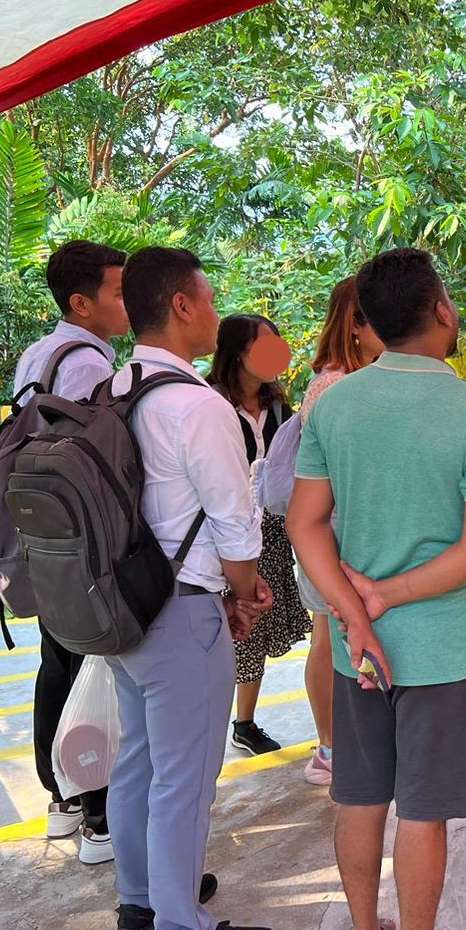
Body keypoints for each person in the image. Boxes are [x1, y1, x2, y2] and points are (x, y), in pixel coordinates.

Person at [288, 247, 466, 930]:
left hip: (360, 655)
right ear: (442, 311)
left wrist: (355, 612)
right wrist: (387, 597)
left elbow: (304, 523)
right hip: (441, 651)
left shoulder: (335, 406)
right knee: (423, 808)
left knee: (359, 794)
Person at [106, 246, 276, 930]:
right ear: (181, 305)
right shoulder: (197, 406)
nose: (213, 312)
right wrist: (246, 592)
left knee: (139, 759)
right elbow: (236, 527)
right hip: (182, 611)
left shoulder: (119, 386)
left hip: (123, 607)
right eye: (208, 300)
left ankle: (141, 899)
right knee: (186, 778)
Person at [11, 239, 129, 865]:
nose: (128, 301)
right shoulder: (87, 364)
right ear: (82, 303)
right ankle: (100, 816)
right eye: (118, 291)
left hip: (45, 531)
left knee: (58, 663)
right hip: (84, 537)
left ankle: (61, 798)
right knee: (95, 666)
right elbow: (99, 460)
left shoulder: (42, 351)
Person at [208, 313, 313, 755]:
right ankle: (214, 723)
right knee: (232, 628)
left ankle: (244, 722)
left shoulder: (277, 406)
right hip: (224, 533)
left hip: (273, 530)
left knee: (258, 628)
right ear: (236, 352)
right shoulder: (210, 404)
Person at [298, 277, 384, 786]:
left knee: (336, 637)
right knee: (328, 640)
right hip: (330, 538)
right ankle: (330, 746)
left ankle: (340, 742)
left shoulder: (356, 379)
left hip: (346, 537)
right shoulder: (335, 387)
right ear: (355, 326)